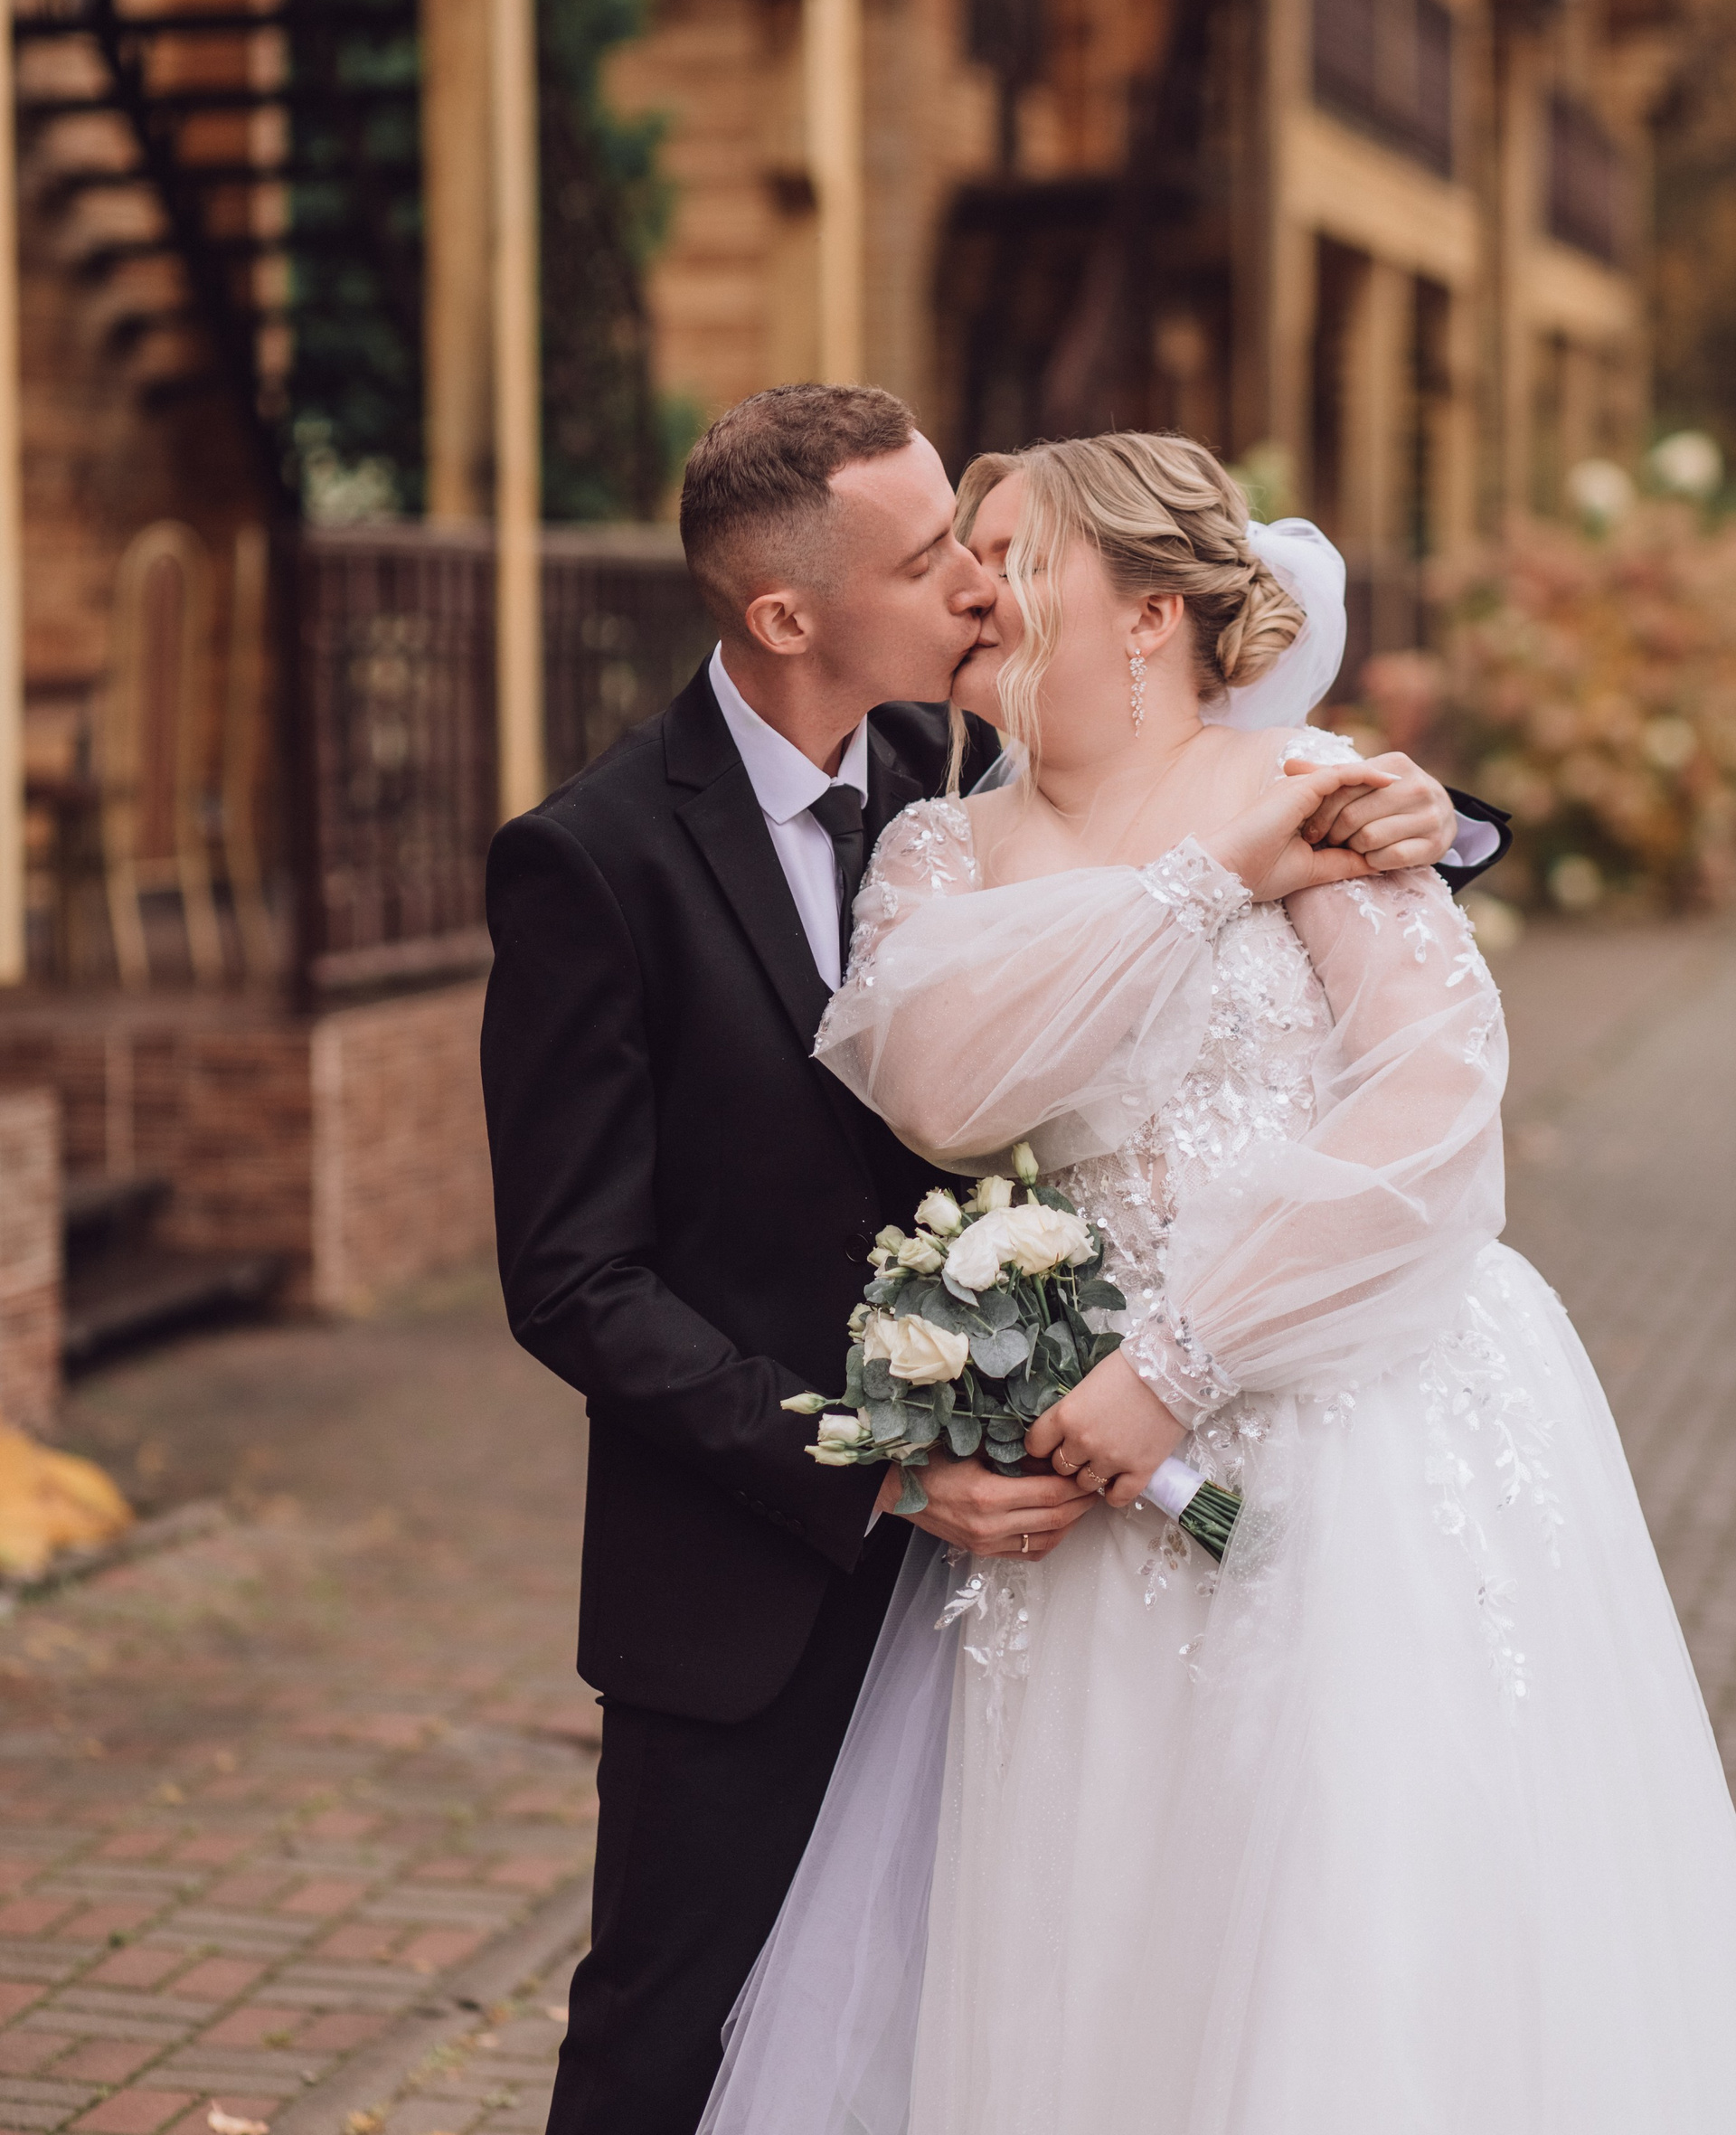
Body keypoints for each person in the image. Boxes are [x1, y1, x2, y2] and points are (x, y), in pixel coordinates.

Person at [480, 386, 1503, 2135]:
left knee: (1060, 1987)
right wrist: (878, 1470)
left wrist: (1423, 809)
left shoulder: (953, 763)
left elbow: (1211, 798)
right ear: (787, 615)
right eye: (928, 558)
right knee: (672, 2029)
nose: (976, 581)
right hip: (763, 1556)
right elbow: (575, 1279)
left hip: (1066, 1533)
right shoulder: (595, 858)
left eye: (980, 541)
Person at [700, 430, 1736, 2135]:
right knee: (1110, 1929)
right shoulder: (937, 847)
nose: (977, 591)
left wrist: (1180, 1361)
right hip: (1095, 1505)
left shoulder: (1321, 788)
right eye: (962, 557)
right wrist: (1207, 886)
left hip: (1357, 1435)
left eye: (1017, 557)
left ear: (1149, 613)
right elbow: (946, 1090)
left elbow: (1432, 1112)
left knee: (1352, 1909)